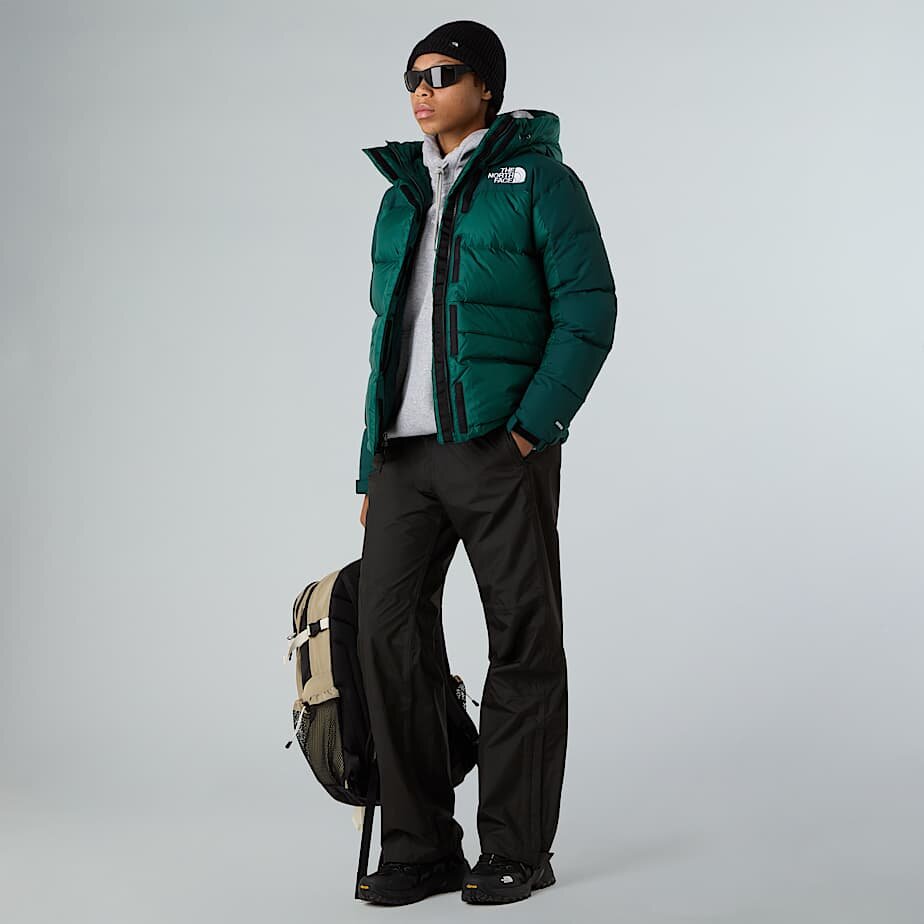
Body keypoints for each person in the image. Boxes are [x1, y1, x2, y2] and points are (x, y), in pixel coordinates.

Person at [354, 20, 617, 906]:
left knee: (522, 640)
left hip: (498, 449)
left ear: (488, 88)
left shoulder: (541, 181)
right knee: (385, 638)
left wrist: (529, 431)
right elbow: (387, 340)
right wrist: (370, 464)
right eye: (413, 77)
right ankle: (421, 845)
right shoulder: (401, 196)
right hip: (405, 457)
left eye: (443, 74)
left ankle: (516, 848)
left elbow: (589, 310)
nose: (423, 91)